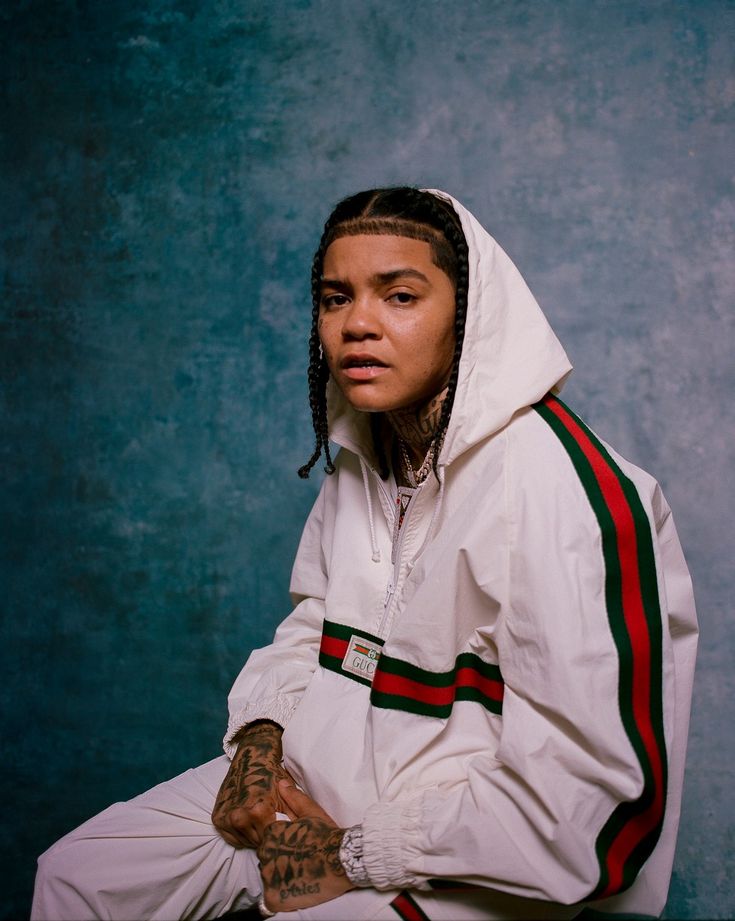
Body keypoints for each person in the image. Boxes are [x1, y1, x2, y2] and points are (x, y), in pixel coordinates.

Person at [32, 188, 698, 921]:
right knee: (79, 874)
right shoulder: (368, 448)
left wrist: (353, 853)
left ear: (469, 315)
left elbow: (597, 807)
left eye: (400, 295)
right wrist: (258, 744)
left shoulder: (564, 491)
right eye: (334, 297)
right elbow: (316, 623)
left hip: (471, 845)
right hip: (316, 784)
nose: (356, 324)